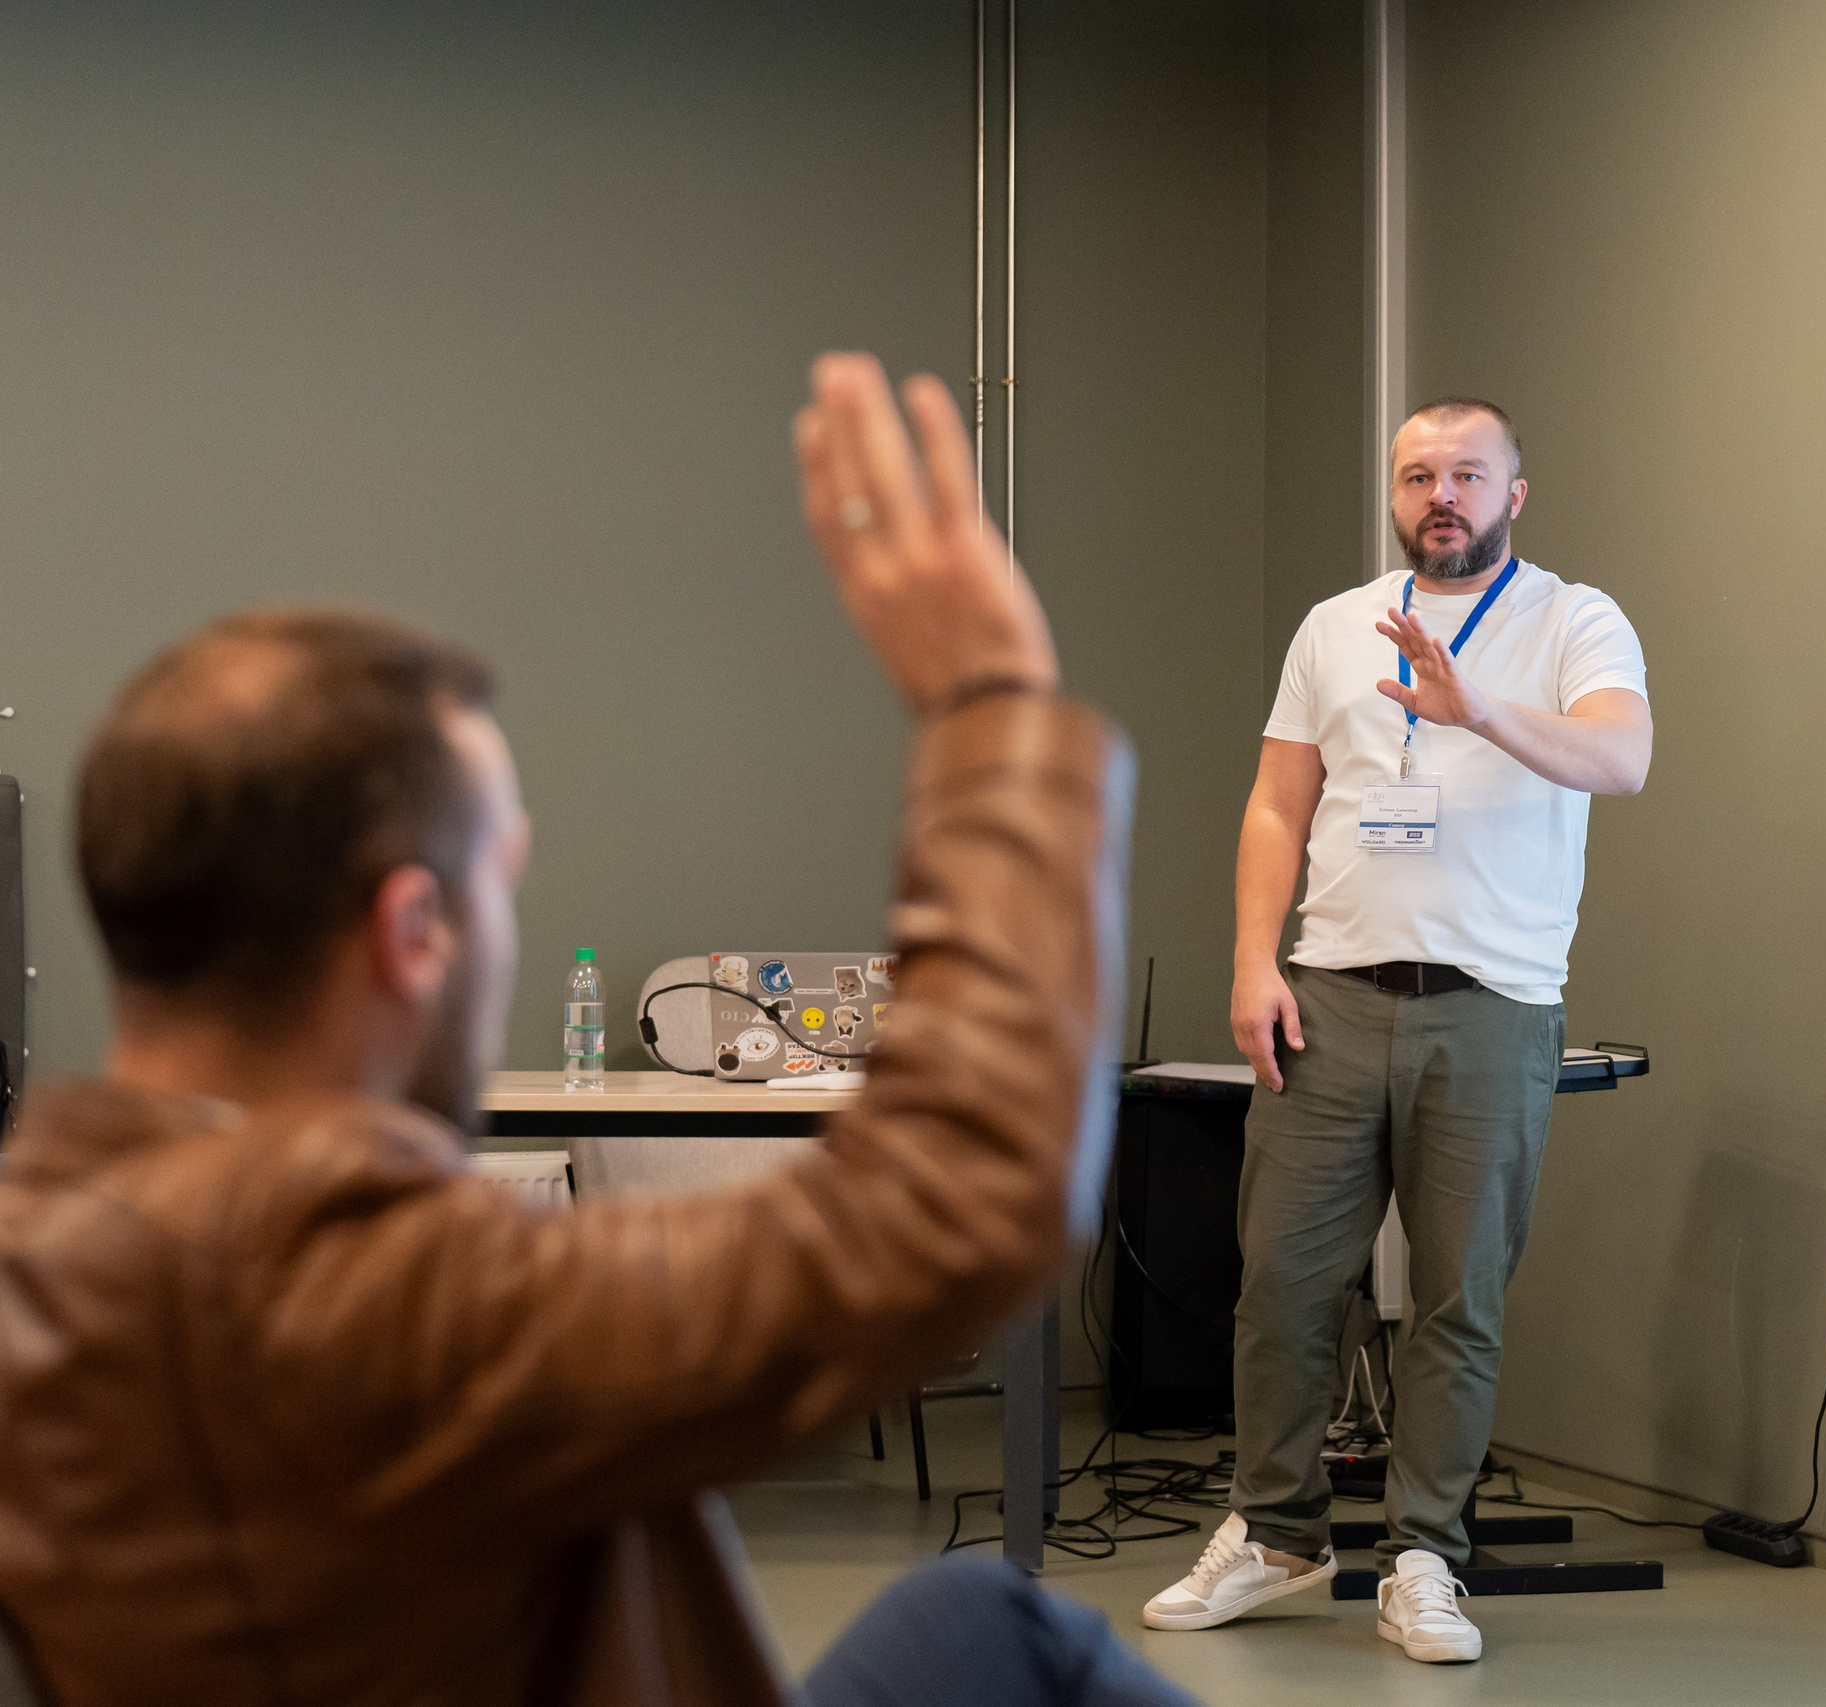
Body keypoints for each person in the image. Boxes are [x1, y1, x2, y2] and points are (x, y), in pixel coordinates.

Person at [0, 356, 1197, 1707]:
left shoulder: (57, 1233)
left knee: (979, 1618)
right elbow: (957, 1206)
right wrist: (992, 709)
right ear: (412, 932)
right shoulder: (348, 1293)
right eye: (501, 873)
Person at [1143, 398, 1650, 1664]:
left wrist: (1476, 708)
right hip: (1329, 997)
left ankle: (1424, 1559)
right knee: (1282, 1287)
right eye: (1418, 474)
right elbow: (1276, 805)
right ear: (1394, 493)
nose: (1442, 495)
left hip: (1491, 1005)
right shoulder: (1332, 628)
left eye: (1467, 475)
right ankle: (1274, 1536)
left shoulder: (1576, 621)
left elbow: (1622, 759)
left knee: (1455, 1301)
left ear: (1514, 493)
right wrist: (1256, 961)